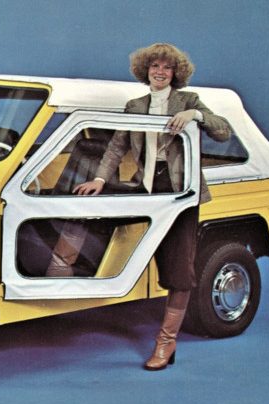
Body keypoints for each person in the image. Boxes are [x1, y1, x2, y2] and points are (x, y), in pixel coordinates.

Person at [54, 43, 231, 370]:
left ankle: (166, 342)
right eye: (155, 68)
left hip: (179, 194)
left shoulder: (187, 101)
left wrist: (196, 115)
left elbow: (222, 131)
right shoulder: (135, 105)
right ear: (145, 71)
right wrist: (101, 181)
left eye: (166, 68)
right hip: (144, 186)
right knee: (88, 206)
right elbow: (116, 147)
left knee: (179, 269)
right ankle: (58, 272)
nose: (160, 73)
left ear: (175, 73)